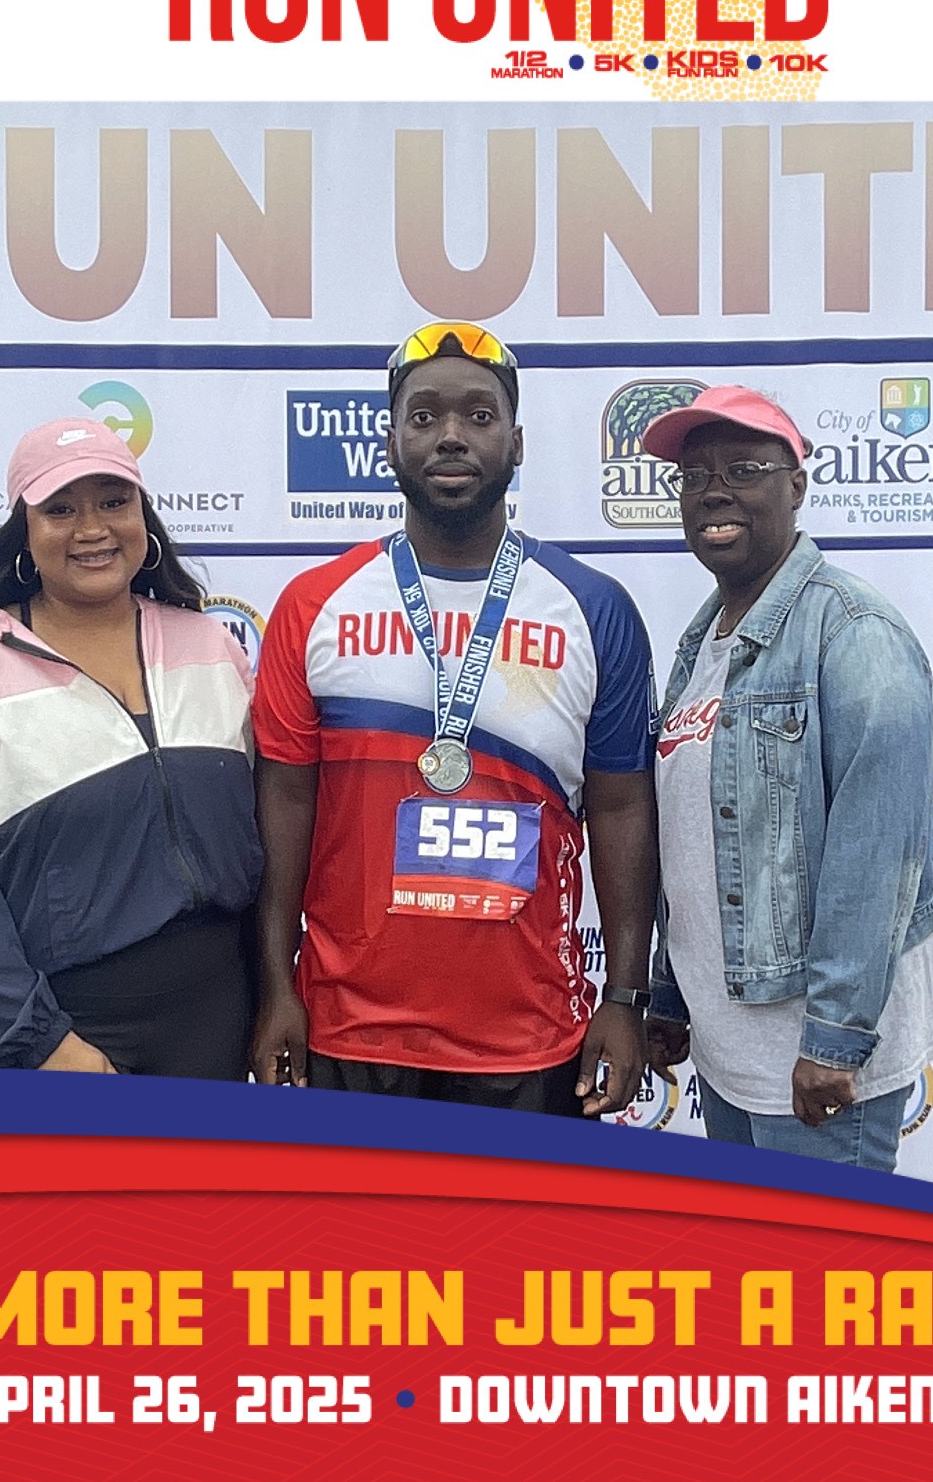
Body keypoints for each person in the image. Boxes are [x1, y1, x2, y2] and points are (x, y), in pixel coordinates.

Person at [250, 321, 657, 1117]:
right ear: (390, 441)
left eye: (478, 416)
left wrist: (627, 996)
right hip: (345, 1033)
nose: (450, 437)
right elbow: (286, 803)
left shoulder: (593, 608)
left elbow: (622, 806)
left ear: (517, 443)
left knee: (520, 1250)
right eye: (424, 416)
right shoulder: (314, 604)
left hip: (533, 1034)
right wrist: (275, 988)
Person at [0, 418, 263, 1076]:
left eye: (113, 501)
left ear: (144, 516)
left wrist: (275, 996)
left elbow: (264, 843)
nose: (92, 529)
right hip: (66, 1040)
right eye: (60, 509)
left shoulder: (211, 646)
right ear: (25, 530)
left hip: (218, 1025)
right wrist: (40, 1044)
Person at [640, 386, 933, 1169]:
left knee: (826, 1285)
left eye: (744, 468)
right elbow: (695, 838)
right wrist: (670, 993)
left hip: (813, 1057)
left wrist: (837, 1041)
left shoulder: (854, 633)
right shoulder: (707, 639)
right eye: (694, 475)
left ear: (797, 486)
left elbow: (878, 850)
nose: (713, 490)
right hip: (733, 1046)